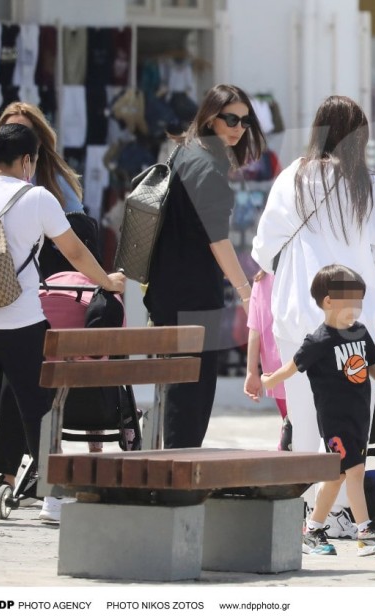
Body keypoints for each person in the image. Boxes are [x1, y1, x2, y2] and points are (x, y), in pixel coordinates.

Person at [251, 95, 375, 527]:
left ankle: (310, 514)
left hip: (300, 314)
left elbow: (264, 247)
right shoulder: (370, 184)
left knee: (305, 420)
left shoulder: (292, 177)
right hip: (355, 321)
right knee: (349, 421)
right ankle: (332, 514)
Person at [0, 123, 126, 525]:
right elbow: (76, 253)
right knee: (37, 410)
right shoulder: (37, 198)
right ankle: (53, 499)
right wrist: (108, 281)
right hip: (21, 321)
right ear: (29, 160)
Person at [144, 83, 266, 449]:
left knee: (179, 388)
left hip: (167, 290)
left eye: (245, 121)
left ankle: (173, 469)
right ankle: (179, 476)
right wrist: (247, 295)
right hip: (193, 297)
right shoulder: (209, 168)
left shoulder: (184, 151)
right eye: (231, 119)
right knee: (192, 394)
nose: (239, 127)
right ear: (211, 117)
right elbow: (218, 241)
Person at [260, 264, 375, 557]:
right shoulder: (320, 340)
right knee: (355, 471)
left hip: (359, 416)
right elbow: (293, 365)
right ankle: (366, 531)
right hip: (335, 420)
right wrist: (270, 379)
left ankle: (312, 530)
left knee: (336, 477)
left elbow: (371, 364)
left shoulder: (361, 333)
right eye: (351, 302)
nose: (357, 308)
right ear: (328, 302)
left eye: (359, 302)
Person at [243, 269, 288, 450]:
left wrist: (252, 371)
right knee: (298, 425)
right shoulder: (297, 270)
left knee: (289, 422)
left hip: (275, 368)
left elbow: (254, 329)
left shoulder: (261, 278)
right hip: (297, 363)